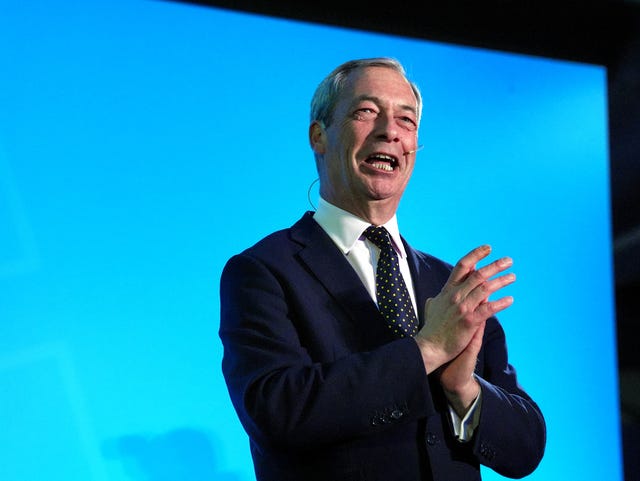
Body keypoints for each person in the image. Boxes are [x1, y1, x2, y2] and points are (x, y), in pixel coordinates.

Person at [219, 57, 546, 481]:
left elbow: (525, 450)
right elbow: (279, 412)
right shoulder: (264, 271)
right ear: (319, 135)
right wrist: (427, 350)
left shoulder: (452, 290)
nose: (390, 130)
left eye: (406, 120)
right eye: (365, 111)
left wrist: (463, 390)